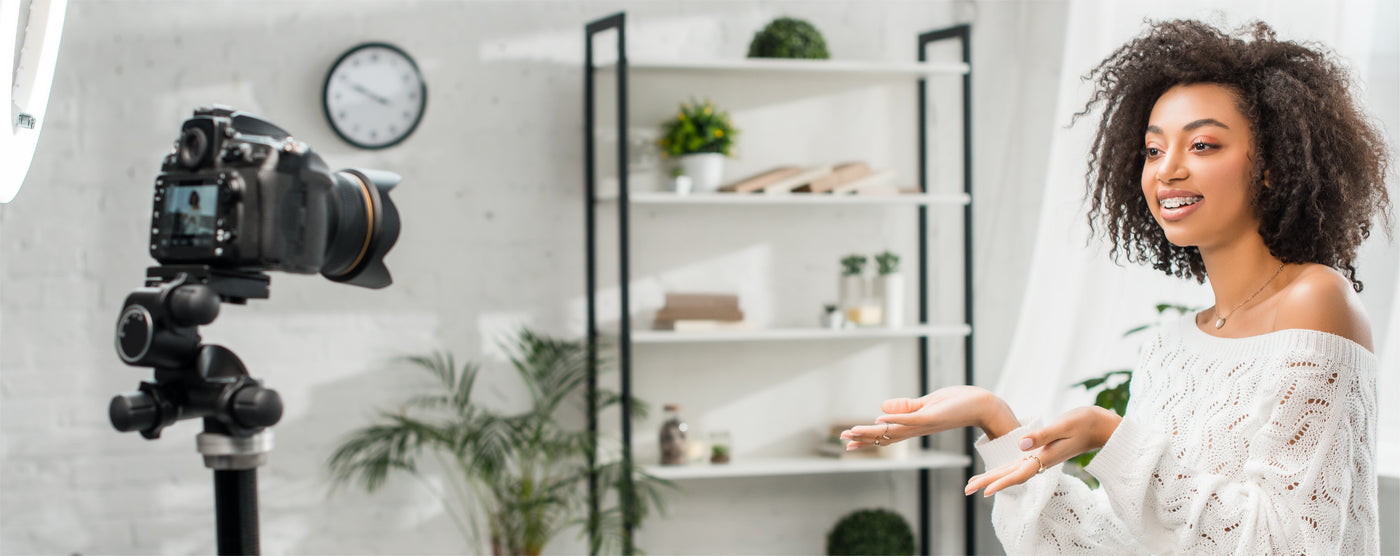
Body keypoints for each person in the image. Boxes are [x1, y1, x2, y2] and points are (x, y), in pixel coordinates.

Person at [841, 19, 1389, 554]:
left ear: (1272, 166)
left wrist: (1112, 437)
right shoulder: (1169, 348)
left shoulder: (1315, 299)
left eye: (1202, 145)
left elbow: (1293, 543)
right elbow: (1111, 543)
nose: (1167, 170)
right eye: (1153, 150)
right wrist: (995, 417)